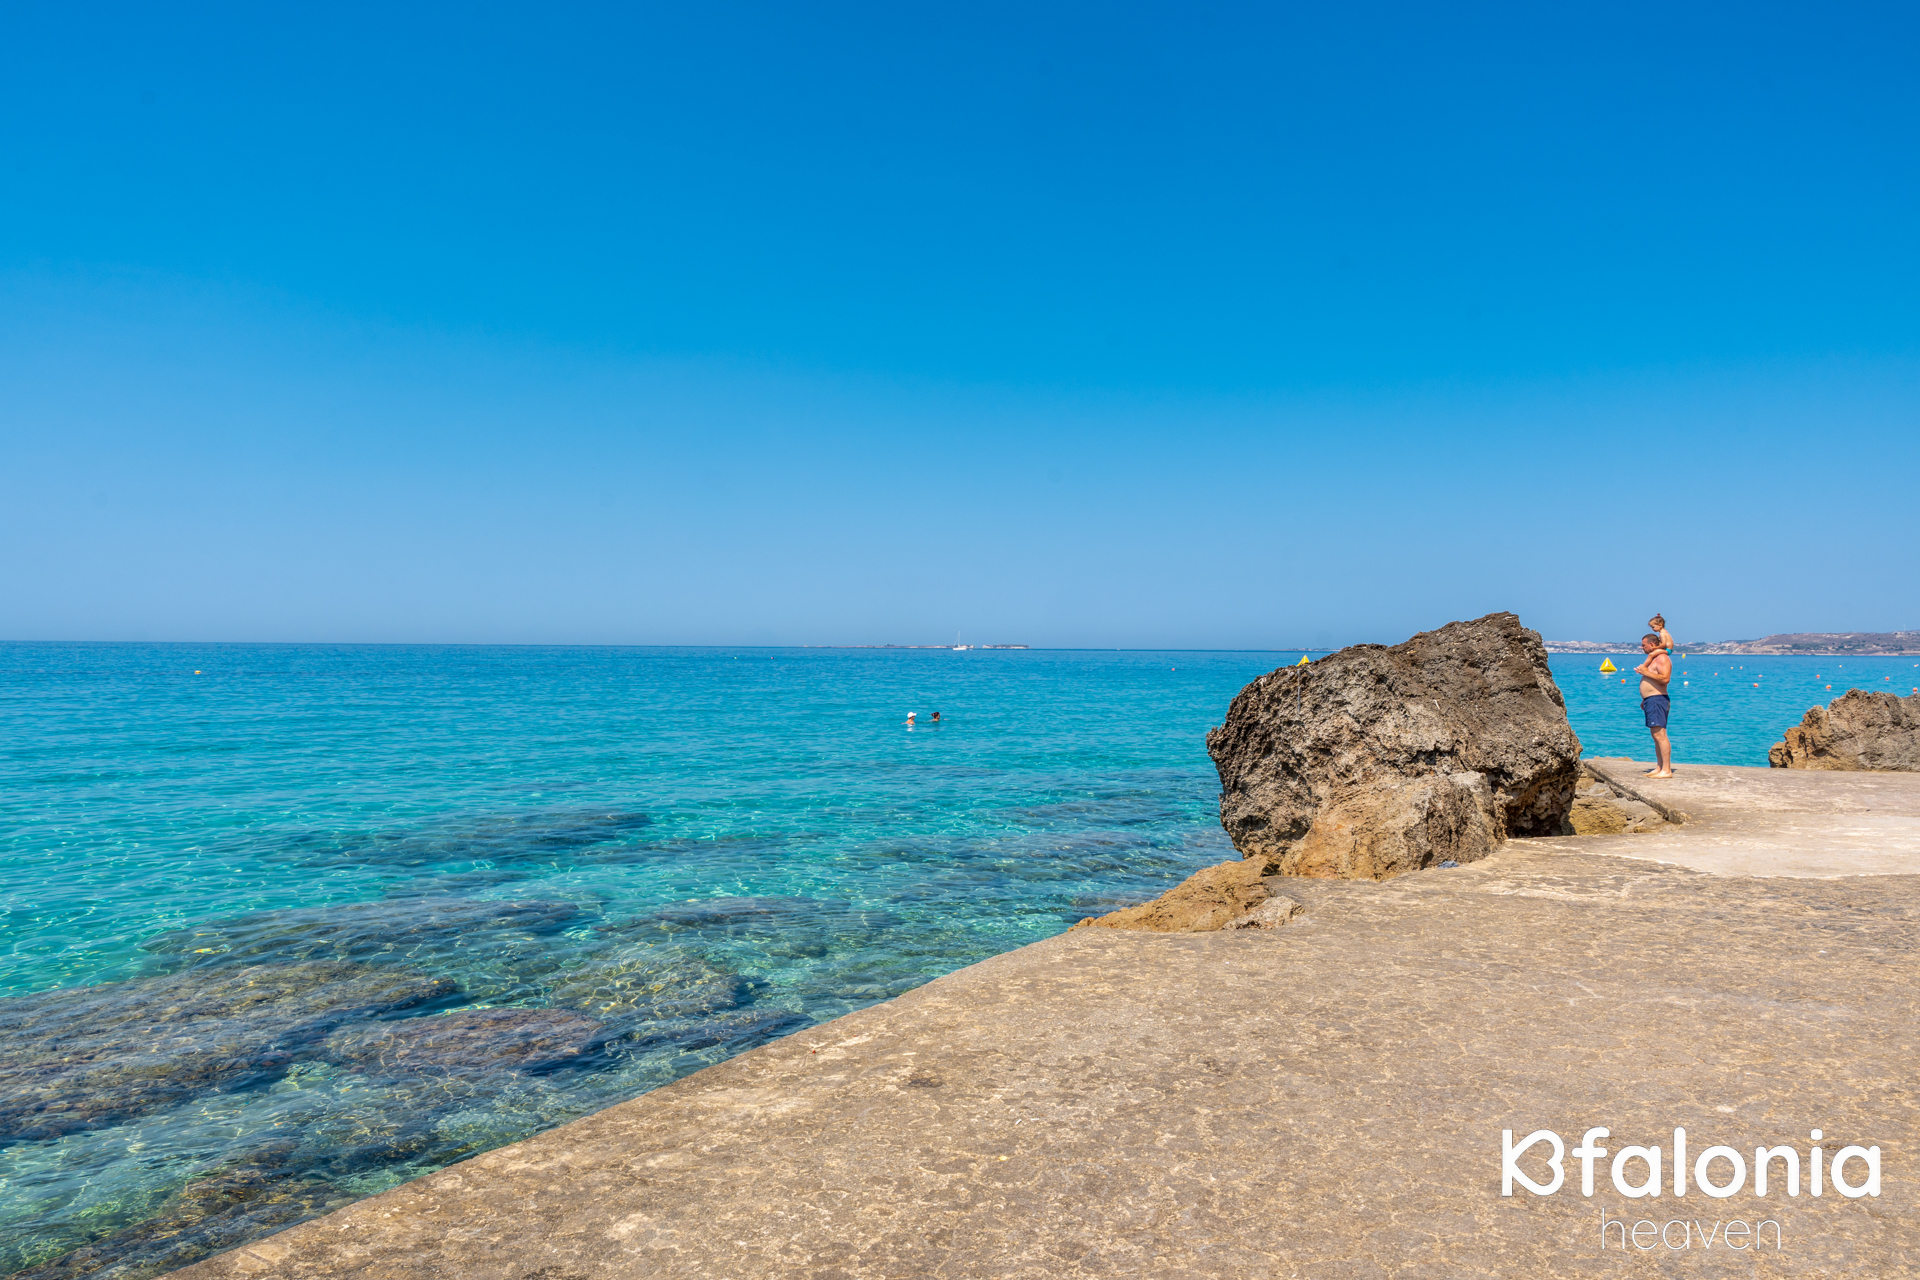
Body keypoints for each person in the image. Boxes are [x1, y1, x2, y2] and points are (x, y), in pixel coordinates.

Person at [1633, 633, 1674, 778]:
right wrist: (1645, 699)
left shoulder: (1662, 658)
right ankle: (1659, 767)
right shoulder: (1653, 659)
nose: (1641, 647)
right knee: (1655, 735)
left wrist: (1645, 672)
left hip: (1657, 700)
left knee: (1660, 734)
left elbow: (1665, 678)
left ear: (1651, 644)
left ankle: (1666, 770)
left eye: (1643, 645)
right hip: (1651, 700)